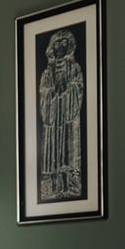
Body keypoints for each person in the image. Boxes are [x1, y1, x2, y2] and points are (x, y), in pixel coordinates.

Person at [38, 28, 84, 199]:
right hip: (53, 118)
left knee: (66, 149)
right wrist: (51, 93)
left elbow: (78, 87)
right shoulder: (47, 73)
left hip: (67, 117)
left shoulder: (74, 67)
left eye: (64, 44)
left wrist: (68, 89)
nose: (60, 47)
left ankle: (69, 182)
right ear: (52, 48)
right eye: (57, 44)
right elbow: (44, 92)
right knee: (53, 151)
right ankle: (54, 184)